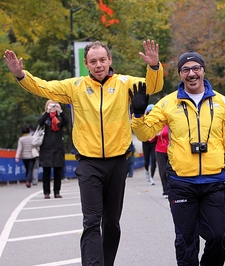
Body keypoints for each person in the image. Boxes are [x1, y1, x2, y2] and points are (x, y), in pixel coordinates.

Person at [3, 39, 164, 266]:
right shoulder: (75, 87)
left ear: (110, 61)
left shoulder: (125, 83)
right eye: (93, 61)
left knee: (111, 224)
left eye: (102, 60)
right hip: (89, 164)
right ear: (87, 64)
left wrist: (154, 67)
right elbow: (44, 87)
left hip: (118, 163)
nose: (98, 65)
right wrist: (21, 75)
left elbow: (154, 86)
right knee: (91, 222)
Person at [130, 51, 225, 266]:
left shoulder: (223, 103)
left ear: (203, 70)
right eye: (185, 69)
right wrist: (137, 115)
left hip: (213, 182)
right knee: (185, 242)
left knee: (218, 238)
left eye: (195, 68)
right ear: (180, 74)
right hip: (181, 183)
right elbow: (146, 134)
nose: (191, 73)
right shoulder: (167, 103)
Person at [38, 100, 69, 199]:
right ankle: (46, 192)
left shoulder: (59, 117)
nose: (53, 107)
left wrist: (61, 111)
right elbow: (39, 123)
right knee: (46, 171)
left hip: (58, 147)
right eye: (51, 105)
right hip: (46, 148)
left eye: (54, 105)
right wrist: (47, 112)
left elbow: (67, 122)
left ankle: (57, 191)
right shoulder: (45, 117)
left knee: (58, 171)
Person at [142, 104, 157, 185]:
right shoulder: (145, 119)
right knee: (146, 160)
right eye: (149, 110)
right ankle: (147, 171)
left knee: (154, 159)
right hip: (146, 143)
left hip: (154, 142)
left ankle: (152, 177)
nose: (151, 112)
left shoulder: (156, 119)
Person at [155, 125, 169, 198]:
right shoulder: (158, 124)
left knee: (171, 171)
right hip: (160, 151)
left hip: (171, 150)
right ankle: (165, 191)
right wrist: (155, 133)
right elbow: (150, 139)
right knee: (163, 171)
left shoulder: (170, 123)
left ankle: (172, 189)